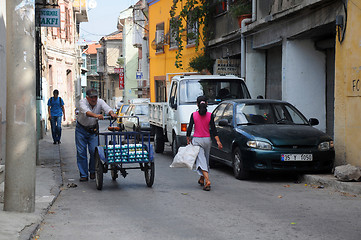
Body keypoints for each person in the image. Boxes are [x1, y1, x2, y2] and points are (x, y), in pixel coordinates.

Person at [76, 88, 117, 182]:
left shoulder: (100, 102)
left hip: (93, 129)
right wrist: (96, 115)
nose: (94, 99)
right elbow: (86, 112)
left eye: (95, 97)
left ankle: (93, 171)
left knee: (94, 151)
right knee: (81, 152)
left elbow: (107, 108)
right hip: (81, 129)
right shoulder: (82, 102)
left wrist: (112, 113)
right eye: (92, 98)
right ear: (87, 98)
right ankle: (83, 174)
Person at [186, 96, 223, 191]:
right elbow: (214, 130)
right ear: (206, 103)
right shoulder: (210, 115)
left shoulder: (193, 115)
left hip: (197, 141)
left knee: (201, 161)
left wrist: (188, 139)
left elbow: (189, 128)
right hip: (207, 141)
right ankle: (201, 179)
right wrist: (218, 141)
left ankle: (207, 180)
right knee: (205, 160)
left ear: (197, 104)